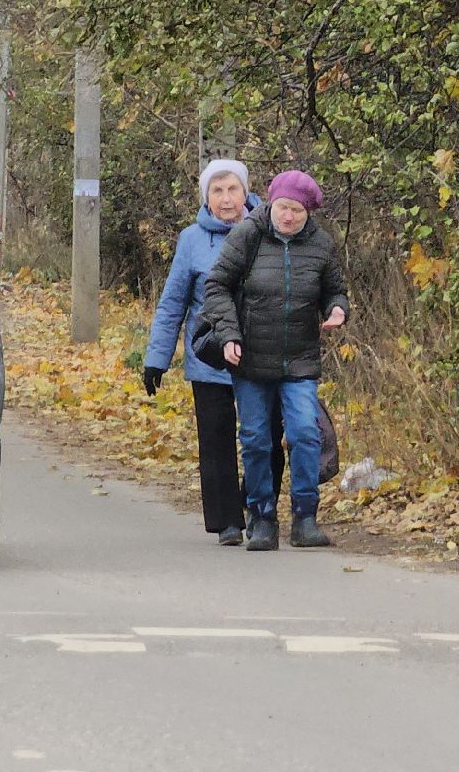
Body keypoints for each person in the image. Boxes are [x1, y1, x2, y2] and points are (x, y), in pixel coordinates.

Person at [201, 169, 348, 551]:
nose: (288, 217)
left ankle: (305, 517)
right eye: (283, 207)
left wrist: (337, 309)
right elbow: (216, 285)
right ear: (271, 203)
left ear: (308, 213)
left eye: (297, 211)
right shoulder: (247, 235)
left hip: (299, 360)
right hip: (250, 359)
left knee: (304, 433)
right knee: (255, 439)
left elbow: (335, 289)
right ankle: (262, 517)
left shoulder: (322, 245)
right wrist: (230, 334)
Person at [143, 158, 281, 547]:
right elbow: (173, 303)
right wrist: (157, 357)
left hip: (261, 355)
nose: (225, 198)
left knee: (266, 436)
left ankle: (259, 510)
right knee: (217, 440)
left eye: (232, 189)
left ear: (246, 192)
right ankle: (227, 521)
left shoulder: (269, 231)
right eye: (217, 191)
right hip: (210, 356)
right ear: (206, 197)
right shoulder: (191, 240)